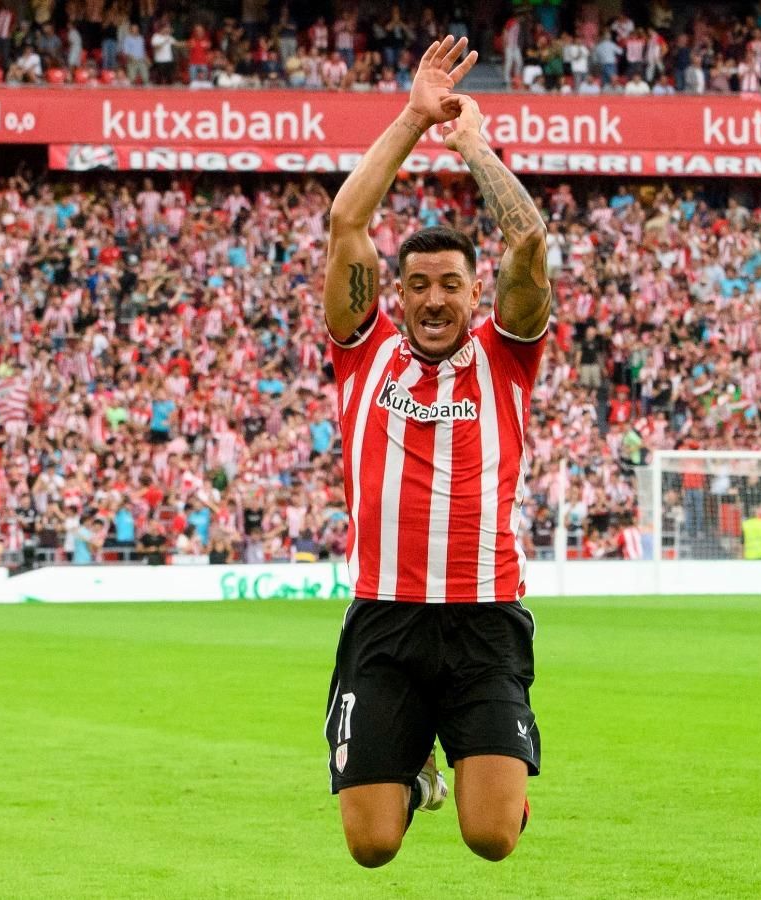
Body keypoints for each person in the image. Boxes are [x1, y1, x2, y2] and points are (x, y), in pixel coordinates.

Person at [321, 36, 551, 867]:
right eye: (416, 284)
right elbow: (348, 219)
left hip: (485, 618)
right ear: (396, 292)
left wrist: (472, 146)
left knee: (491, 837)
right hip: (385, 615)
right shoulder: (363, 347)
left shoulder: (504, 353)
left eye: (450, 283)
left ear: (471, 292)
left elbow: (528, 243)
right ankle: (414, 766)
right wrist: (415, 117)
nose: (432, 299)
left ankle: (470, 759)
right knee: (372, 847)